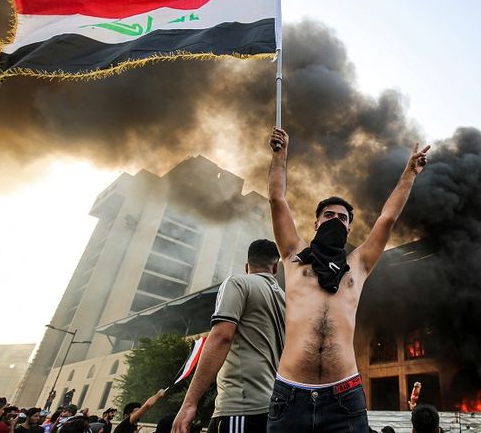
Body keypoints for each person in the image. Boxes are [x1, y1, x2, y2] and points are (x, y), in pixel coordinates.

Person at [266, 127, 429, 432]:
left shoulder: (358, 266)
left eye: (342, 218)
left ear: (349, 229)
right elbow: (277, 199)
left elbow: (387, 219)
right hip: (290, 397)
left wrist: (410, 173)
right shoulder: (293, 255)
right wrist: (280, 156)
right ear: (316, 222)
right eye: (329, 215)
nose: (335, 220)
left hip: (344, 398)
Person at [172, 239, 285, 433]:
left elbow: (221, 337)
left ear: (247, 266)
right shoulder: (286, 299)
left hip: (241, 408)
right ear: (275, 268)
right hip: (275, 410)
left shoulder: (238, 282)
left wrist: (189, 403)